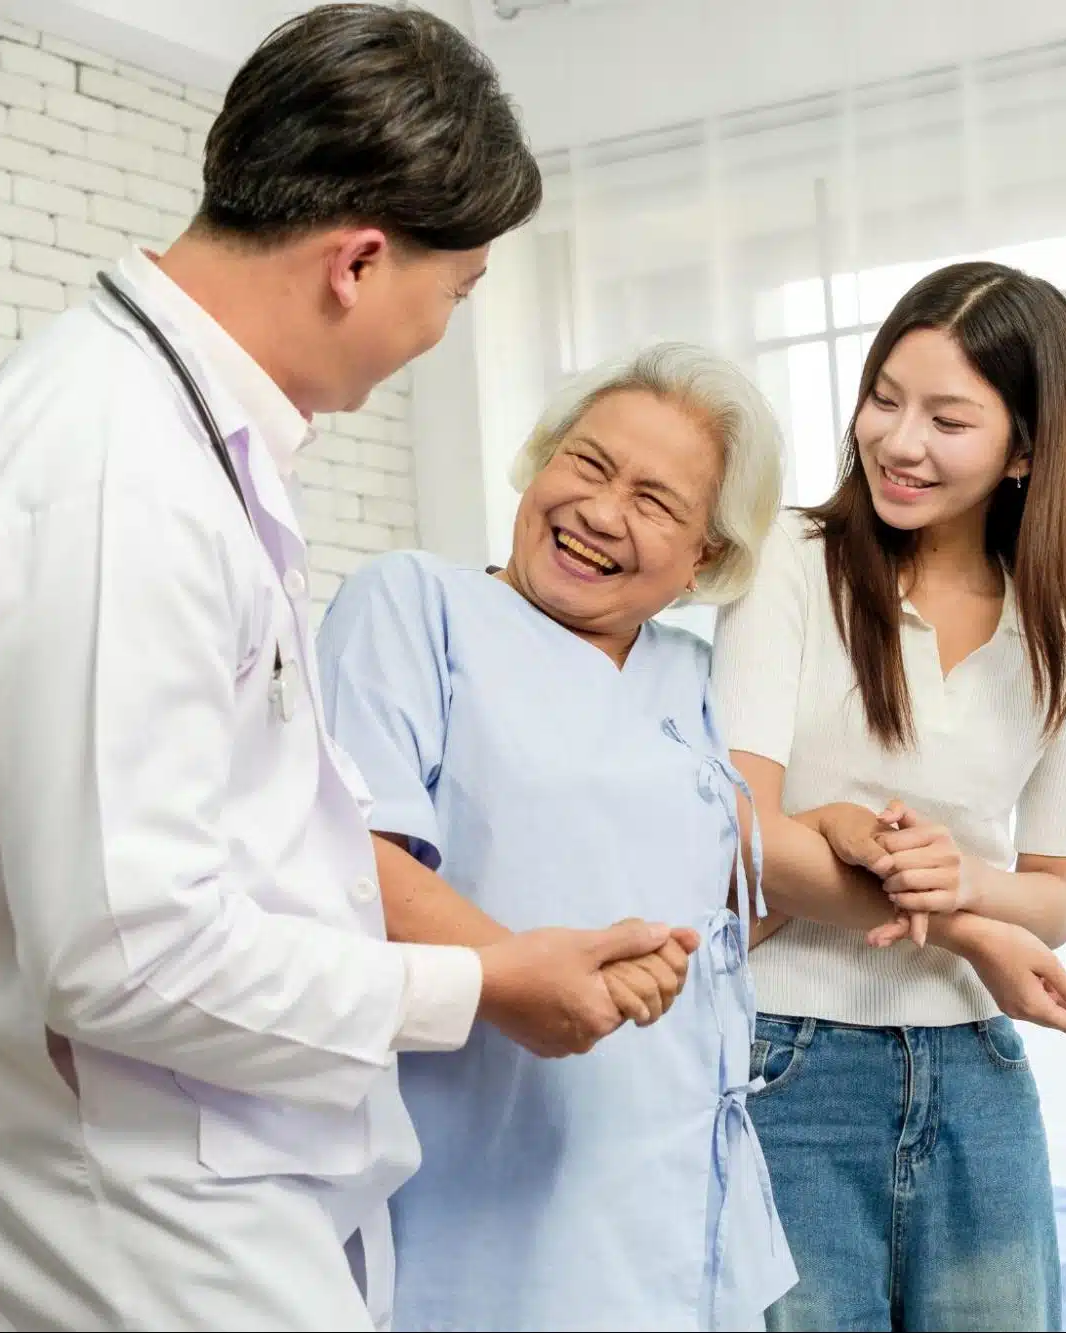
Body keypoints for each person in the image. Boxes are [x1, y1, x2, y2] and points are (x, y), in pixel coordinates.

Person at [0, 8, 695, 1331]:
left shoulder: (181, 437)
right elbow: (124, 952)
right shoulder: (121, 469)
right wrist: (482, 982)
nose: (435, 336)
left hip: (176, 1159)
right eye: (451, 297)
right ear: (357, 260)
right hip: (108, 1194)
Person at [314, 343, 798, 1331]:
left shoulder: (689, 676)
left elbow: (727, 903)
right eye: (585, 462)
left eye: (656, 501)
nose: (600, 512)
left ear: (706, 552)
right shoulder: (417, 604)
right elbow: (349, 860)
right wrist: (519, 980)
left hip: (683, 1206)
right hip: (485, 1192)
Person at [710, 261, 1066, 1332]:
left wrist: (965, 891)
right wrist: (966, 927)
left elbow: (1052, 899)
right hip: (785, 1057)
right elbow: (735, 834)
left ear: (1025, 448)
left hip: (978, 1069)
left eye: (949, 418)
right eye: (884, 398)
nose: (898, 441)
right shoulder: (793, 565)